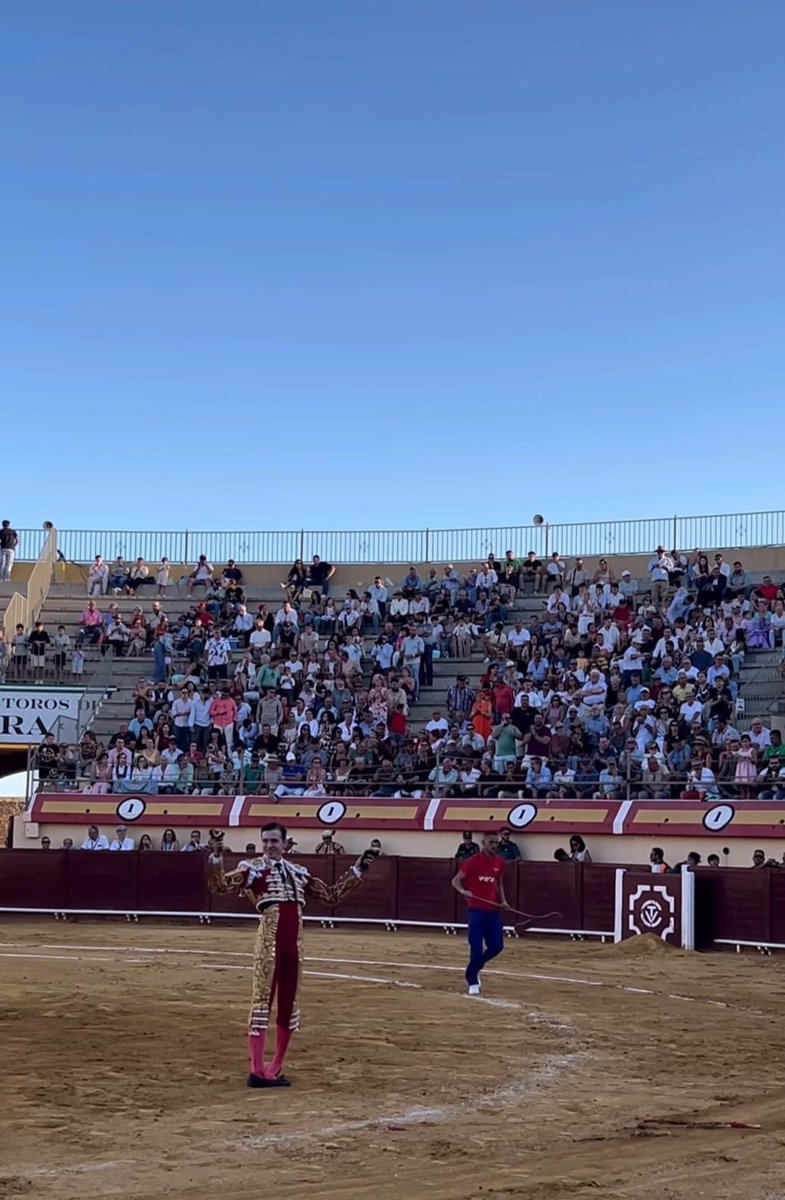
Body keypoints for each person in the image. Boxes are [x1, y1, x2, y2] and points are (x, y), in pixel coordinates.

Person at [207, 821, 377, 1087]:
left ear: (285, 844)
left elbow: (331, 896)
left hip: (294, 945)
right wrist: (217, 857)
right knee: (262, 999)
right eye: (265, 841)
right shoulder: (251, 869)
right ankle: (256, 1069)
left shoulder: (299, 873)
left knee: (289, 1002)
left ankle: (275, 1066)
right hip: (269, 941)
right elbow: (220, 887)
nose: (269, 846)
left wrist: (359, 869)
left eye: (274, 841)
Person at [451, 830, 508, 996]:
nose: (494, 845)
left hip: (493, 910)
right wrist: (463, 891)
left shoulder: (500, 862)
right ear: (483, 843)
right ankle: (473, 979)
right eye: (491, 842)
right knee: (476, 948)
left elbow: (499, 884)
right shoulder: (474, 861)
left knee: (497, 946)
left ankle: (473, 969)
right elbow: (455, 880)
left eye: (496, 842)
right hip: (476, 910)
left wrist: (503, 901)